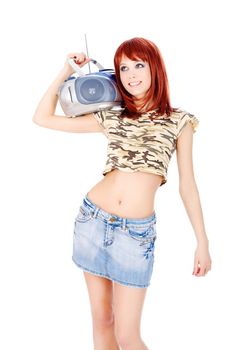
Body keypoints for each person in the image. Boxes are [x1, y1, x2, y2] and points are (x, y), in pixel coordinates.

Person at [32, 37, 212, 350]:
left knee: (129, 337)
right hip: (93, 220)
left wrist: (203, 242)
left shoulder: (179, 121)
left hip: (135, 234)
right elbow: (42, 118)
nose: (130, 74)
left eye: (139, 65)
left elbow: (188, 186)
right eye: (123, 68)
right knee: (102, 322)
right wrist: (66, 70)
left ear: (155, 67)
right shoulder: (112, 115)